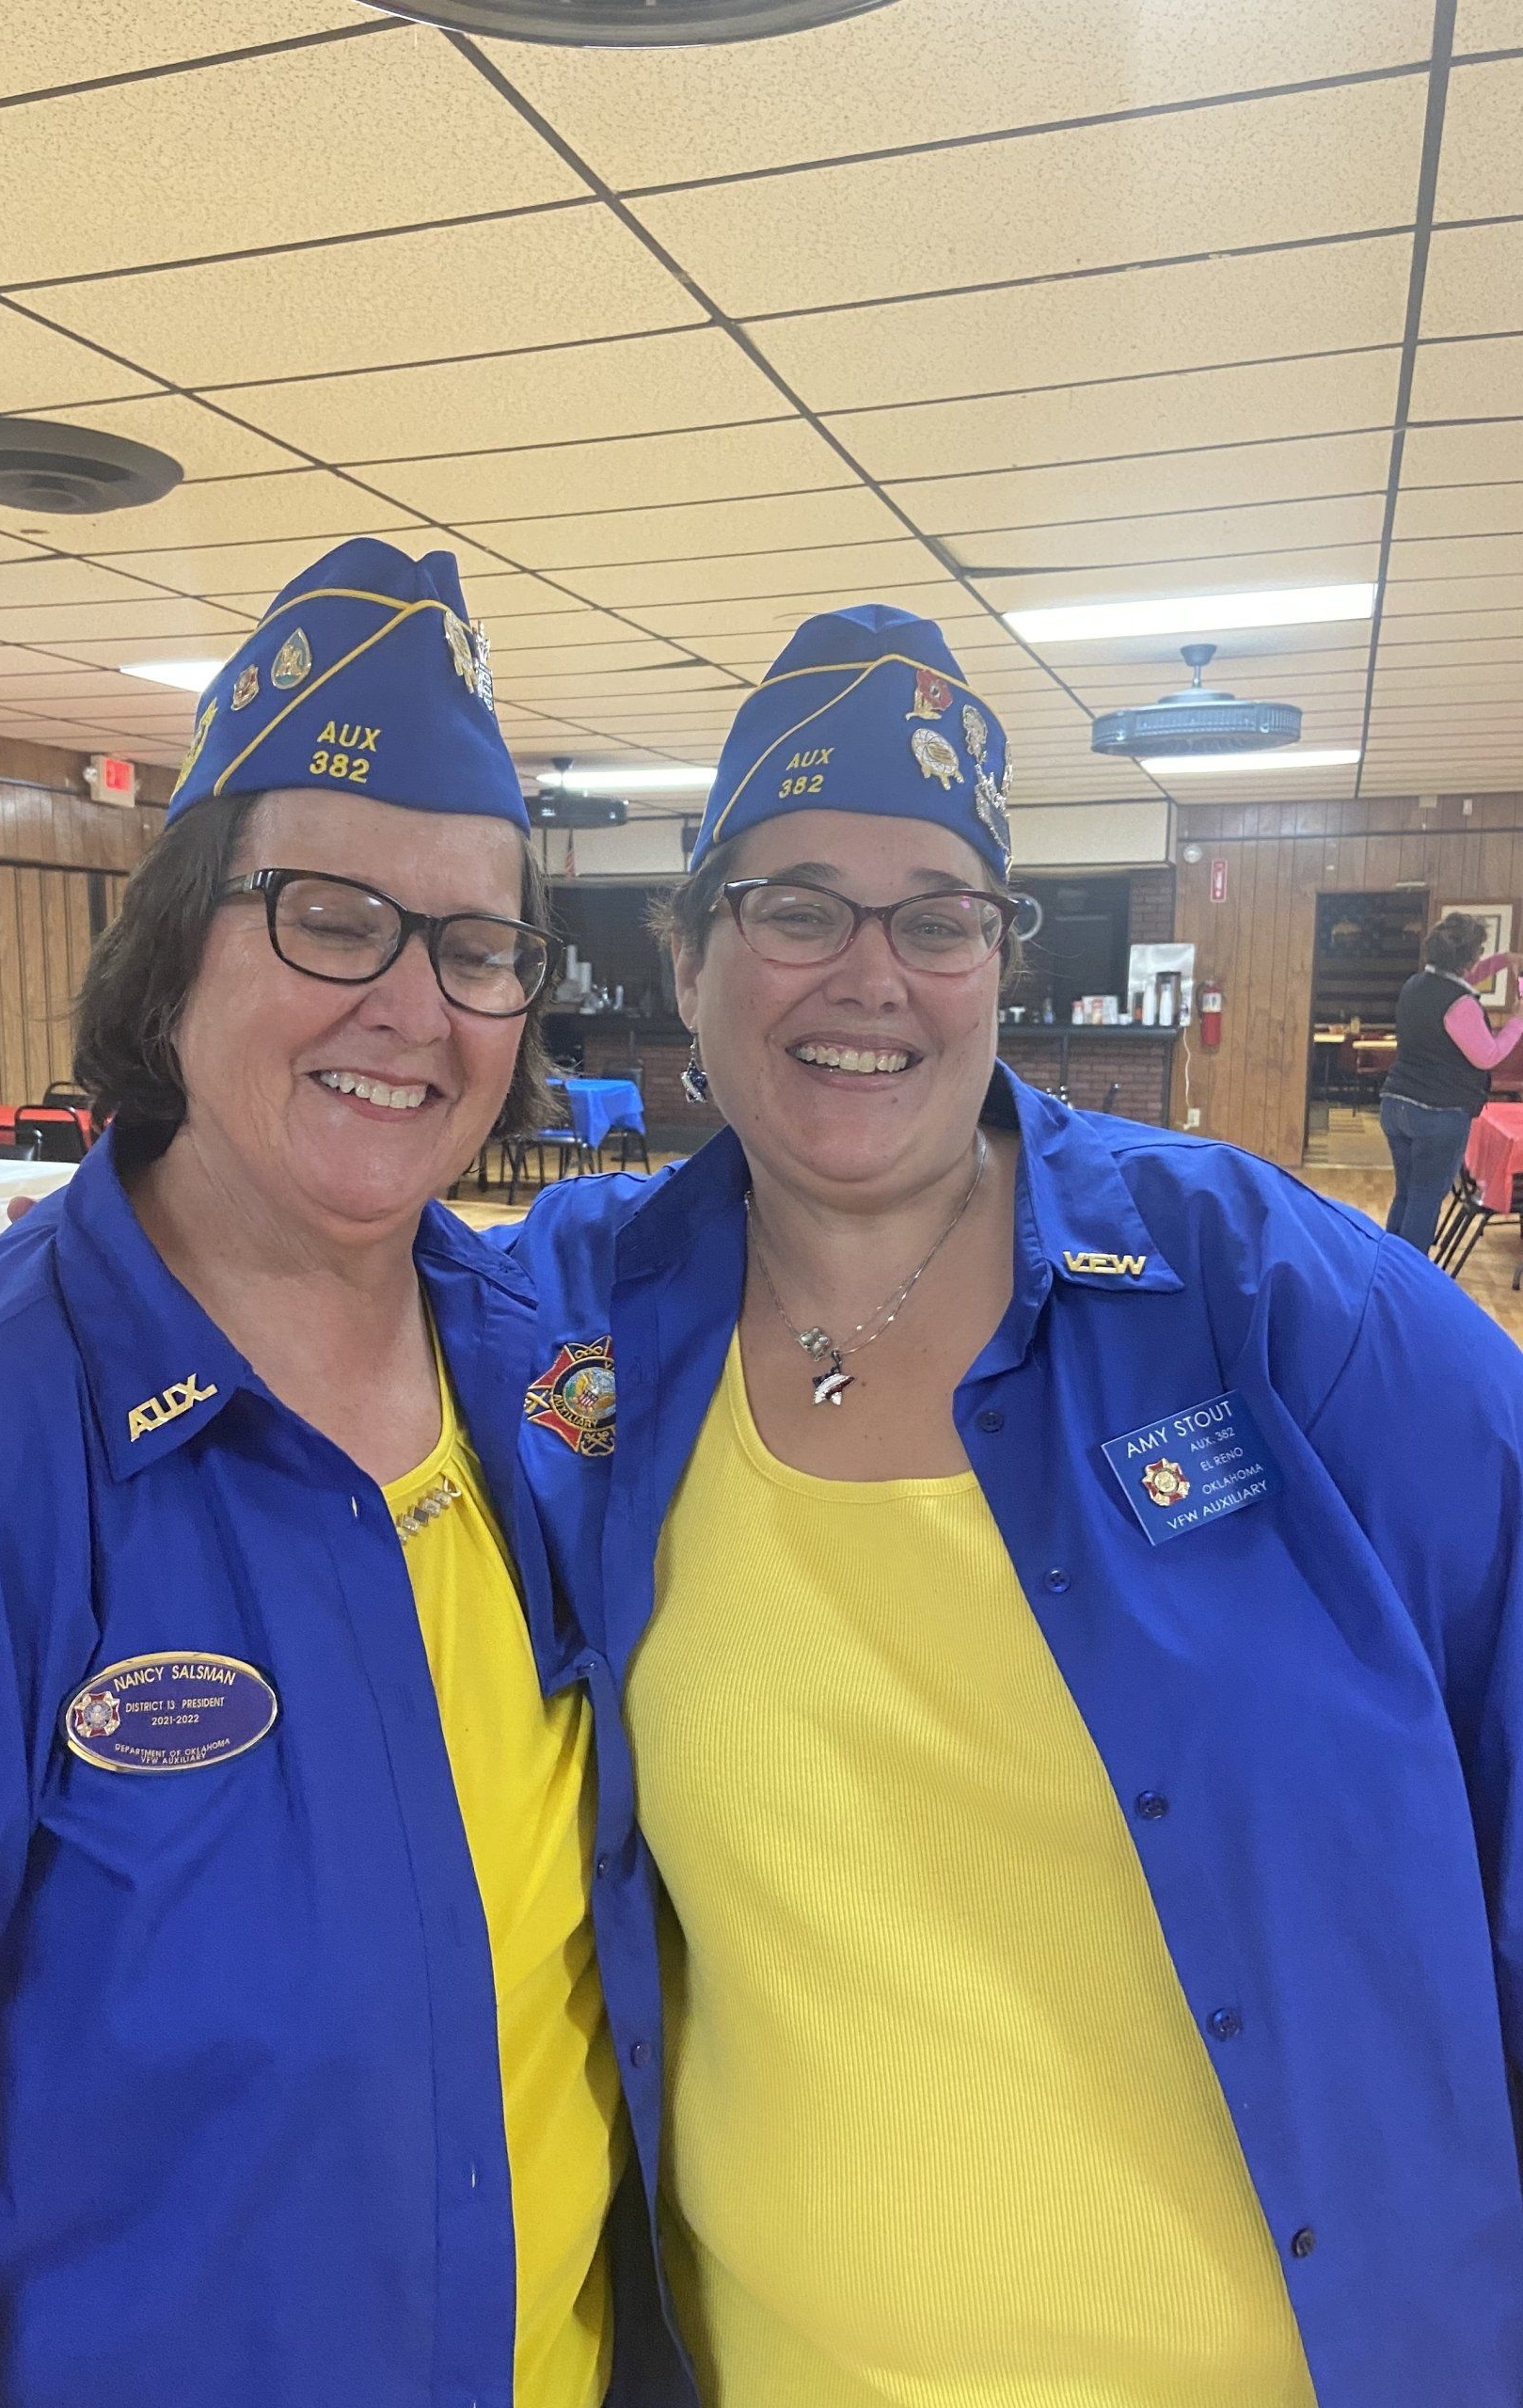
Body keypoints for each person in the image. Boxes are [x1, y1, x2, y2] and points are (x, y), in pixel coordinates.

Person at [499, 605, 1523, 2407]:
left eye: (939, 917)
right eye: (796, 906)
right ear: (688, 956)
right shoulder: (572, 1317)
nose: (868, 973)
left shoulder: (1264, 1293)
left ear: (996, 953)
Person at [0, 541, 683, 2408]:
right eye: (332, 911)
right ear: (169, 955)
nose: (417, 1004)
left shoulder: (541, 1384)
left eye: (480, 944)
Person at [1379, 910, 1523, 1249]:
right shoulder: (1460, 1005)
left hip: (1396, 1104)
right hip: (1437, 1113)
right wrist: (1518, 1020)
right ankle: (1410, 1284)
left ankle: (1386, 1269)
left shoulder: (1416, 985)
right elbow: (1487, 1056)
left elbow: (1461, 981)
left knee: (1407, 1194)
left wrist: (1504, 960)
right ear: (1469, 957)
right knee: (1426, 1200)